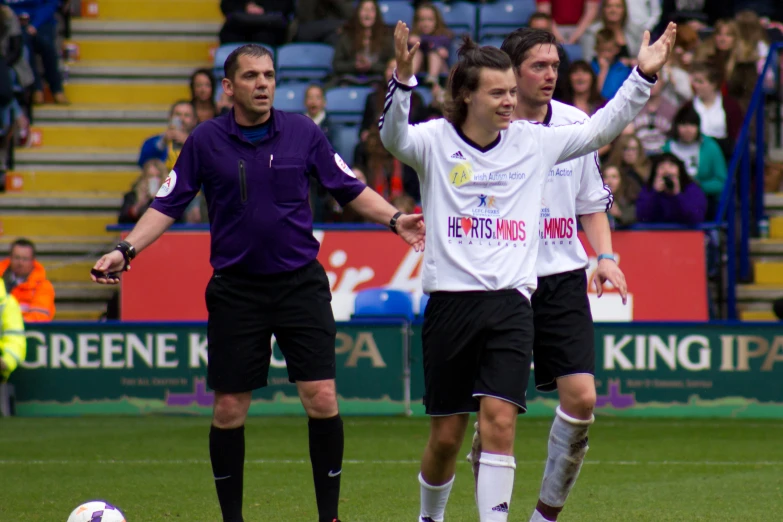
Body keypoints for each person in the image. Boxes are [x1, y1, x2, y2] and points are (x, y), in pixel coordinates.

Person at [90, 44, 425, 522]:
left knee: (323, 397)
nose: (263, 83)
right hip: (236, 290)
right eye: (251, 76)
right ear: (229, 87)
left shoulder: (303, 132)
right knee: (228, 409)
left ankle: (329, 516)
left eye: (268, 74)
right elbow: (166, 204)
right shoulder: (205, 140)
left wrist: (395, 220)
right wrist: (125, 250)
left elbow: (347, 185)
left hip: (299, 285)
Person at [380, 20, 675, 522]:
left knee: (500, 422)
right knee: (447, 437)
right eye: (498, 92)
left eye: (511, 93)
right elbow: (393, 138)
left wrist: (641, 77)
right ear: (466, 95)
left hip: (514, 303)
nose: (509, 102)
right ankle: (429, 517)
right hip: (450, 305)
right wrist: (403, 82)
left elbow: (600, 128)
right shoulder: (433, 141)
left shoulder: (537, 142)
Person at [460, 27, 628, 522]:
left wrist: (607, 258)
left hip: (561, 277)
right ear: (511, 73)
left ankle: (544, 516)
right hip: (505, 281)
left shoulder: (575, 124)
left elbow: (592, 205)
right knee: (499, 413)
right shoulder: (488, 129)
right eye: (539, 65)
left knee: (582, 399)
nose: (551, 74)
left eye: (555, 65)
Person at [636, 152, 707, 225]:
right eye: (662, 167)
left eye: (671, 166)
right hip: (655, 234)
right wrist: (654, 193)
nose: (667, 170)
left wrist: (677, 195)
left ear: (679, 170)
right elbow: (642, 218)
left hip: (685, 234)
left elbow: (696, 219)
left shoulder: (691, 189)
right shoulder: (648, 189)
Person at [0, 237, 55, 322]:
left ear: (33, 260)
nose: (20, 263)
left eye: (25, 259)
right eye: (17, 258)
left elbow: (39, 318)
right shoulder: (1, 280)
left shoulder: (43, 286)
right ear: (10, 258)